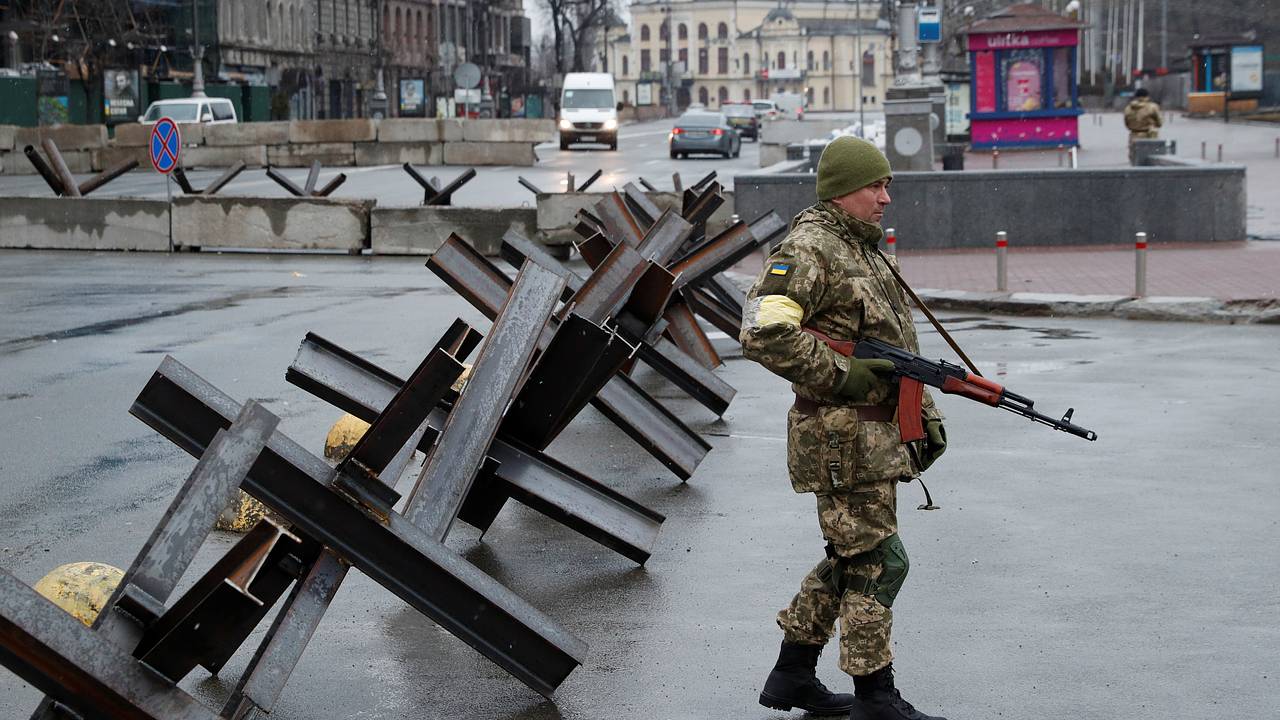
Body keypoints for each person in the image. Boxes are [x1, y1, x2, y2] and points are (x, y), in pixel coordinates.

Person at [742, 136, 949, 720]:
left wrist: (923, 417)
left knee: (850, 556)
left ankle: (791, 676)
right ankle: (874, 696)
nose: (886, 198)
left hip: (871, 439)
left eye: (887, 186)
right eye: (875, 186)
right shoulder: (809, 250)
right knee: (882, 561)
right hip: (840, 437)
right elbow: (763, 332)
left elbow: (898, 355)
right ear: (842, 191)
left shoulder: (863, 249)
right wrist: (844, 376)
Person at [1123, 88, 1163, 164]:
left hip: (1133, 136)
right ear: (1147, 96)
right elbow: (1160, 123)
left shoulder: (1128, 108)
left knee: (1134, 160)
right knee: (1151, 160)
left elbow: (1127, 124)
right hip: (1149, 137)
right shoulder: (1152, 107)